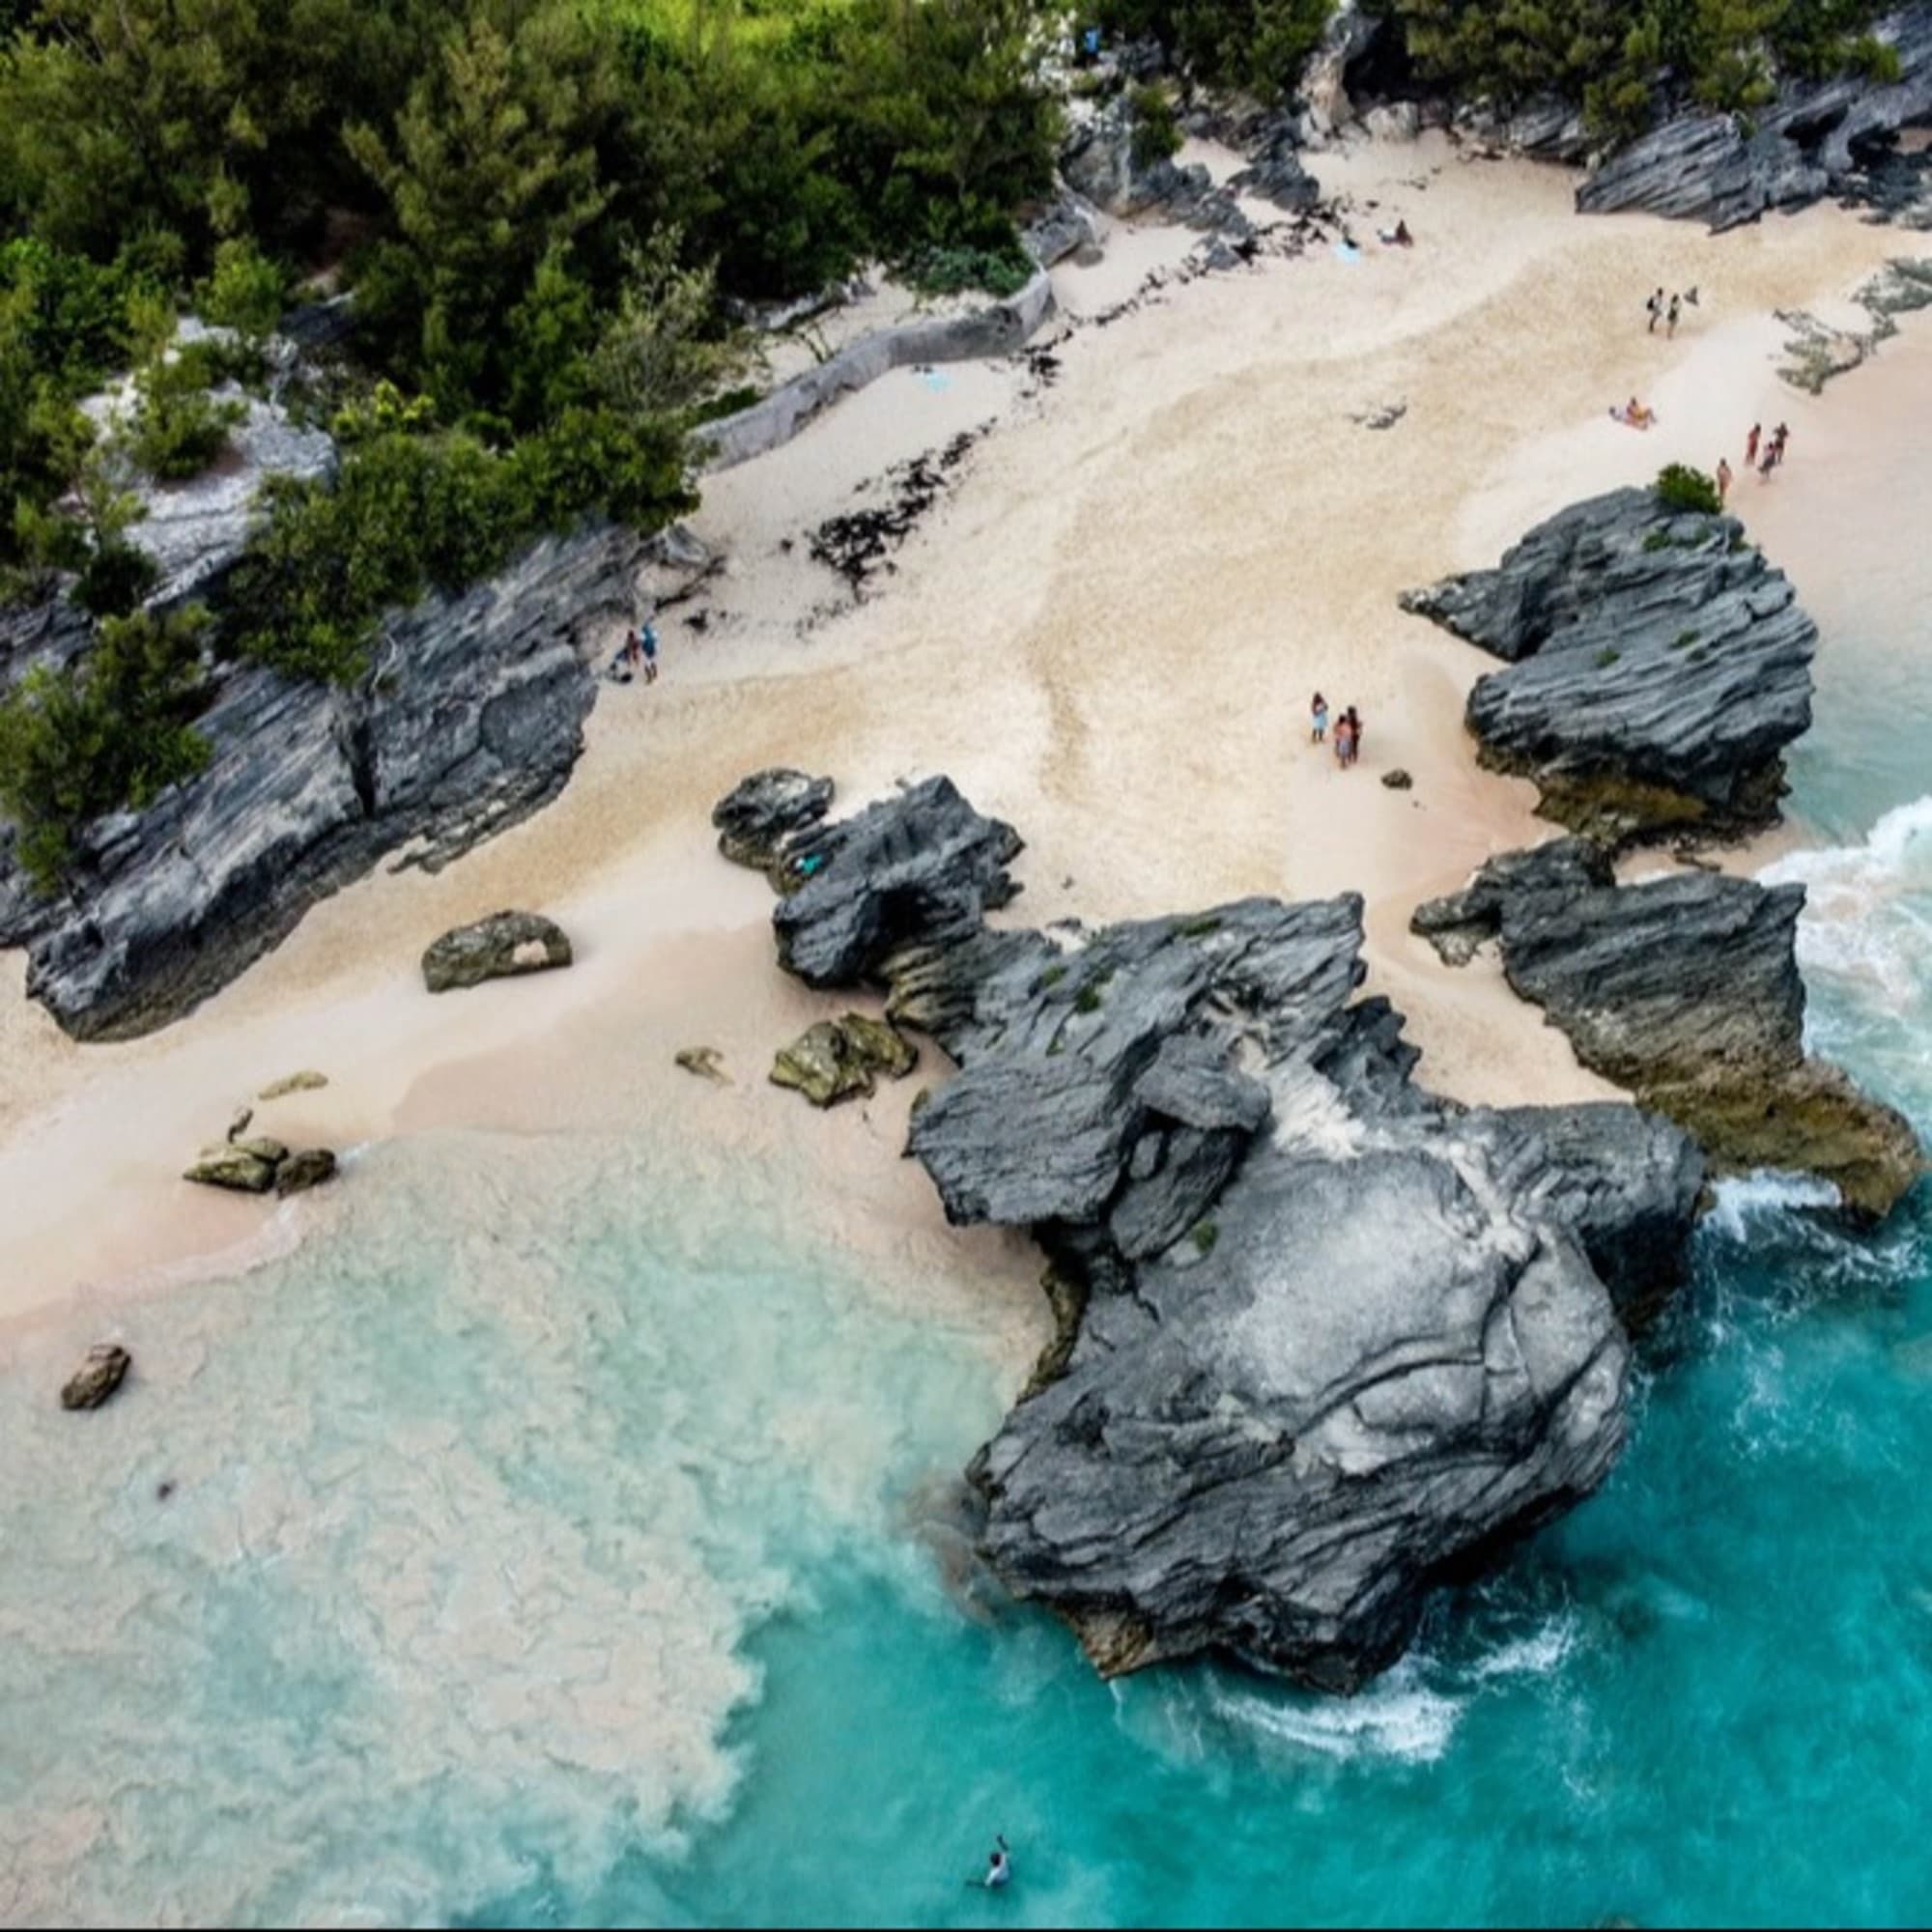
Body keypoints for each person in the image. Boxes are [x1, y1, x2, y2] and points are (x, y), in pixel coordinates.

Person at [639, 617, 660, 685]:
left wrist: (642, 650)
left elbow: (641, 644)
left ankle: (650, 679)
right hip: (655, 650)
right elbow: (657, 640)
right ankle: (655, 675)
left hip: (648, 652)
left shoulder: (643, 634)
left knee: (646, 667)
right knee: (653, 662)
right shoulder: (653, 632)